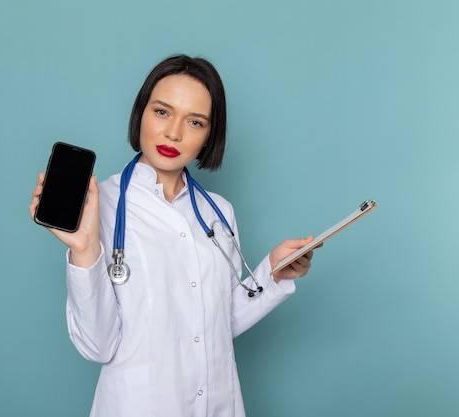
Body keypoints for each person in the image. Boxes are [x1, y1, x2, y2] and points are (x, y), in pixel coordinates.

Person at [29, 55, 316, 417]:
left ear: (209, 135)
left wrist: (272, 274)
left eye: (194, 121)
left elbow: (216, 323)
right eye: (162, 112)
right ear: (141, 114)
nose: (174, 133)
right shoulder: (100, 206)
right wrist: (84, 249)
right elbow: (98, 347)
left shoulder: (218, 212)